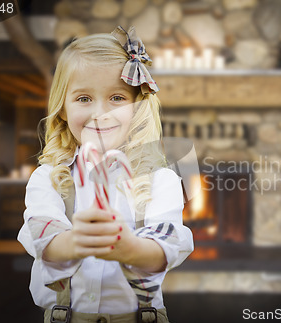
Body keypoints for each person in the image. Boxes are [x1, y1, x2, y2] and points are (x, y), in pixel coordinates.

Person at [17, 26, 194, 323]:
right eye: (84, 98)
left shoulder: (159, 180)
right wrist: (76, 241)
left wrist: (130, 247)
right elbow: (42, 237)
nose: (100, 113)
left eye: (117, 98)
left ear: (137, 109)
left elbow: (166, 247)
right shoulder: (48, 178)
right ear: (62, 108)